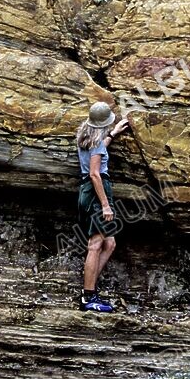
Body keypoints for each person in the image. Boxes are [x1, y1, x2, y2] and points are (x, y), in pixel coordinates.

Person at [76, 101, 129, 312]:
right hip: (97, 192)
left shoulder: (86, 135)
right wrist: (105, 205)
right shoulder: (96, 141)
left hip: (87, 191)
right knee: (96, 244)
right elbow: (94, 173)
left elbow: (98, 152)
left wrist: (113, 134)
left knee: (110, 244)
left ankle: (88, 290)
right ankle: (88, 298)